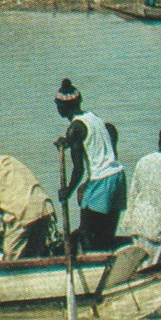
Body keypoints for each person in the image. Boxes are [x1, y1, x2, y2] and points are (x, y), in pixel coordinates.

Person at [53, 79, 126, 251]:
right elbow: (96, 140)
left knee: (86, 232)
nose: (58, 109)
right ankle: (105, 258)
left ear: (63, 107)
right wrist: (67, 142)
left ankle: (92, 262)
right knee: (106, 233)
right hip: (118, 176)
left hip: (101, 180)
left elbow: (79, 168)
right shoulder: (93, 117)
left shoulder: (75, 128)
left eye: (58, 106)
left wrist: (68, 191)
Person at [0, 132, 54, 262]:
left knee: (11, 256)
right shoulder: (7, 160)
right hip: (44, 209)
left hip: (23, 214)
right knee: (32, 256)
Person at [116, 124, 161, 267]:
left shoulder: (143, 161)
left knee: (138, 266)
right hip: (158, 228)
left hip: (138, 224)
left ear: (159, 140)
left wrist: (127, 221)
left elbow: (133, 194)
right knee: (153, 267)